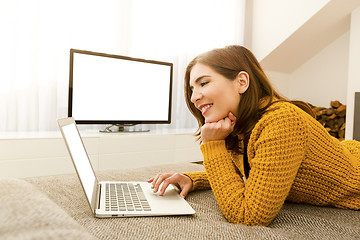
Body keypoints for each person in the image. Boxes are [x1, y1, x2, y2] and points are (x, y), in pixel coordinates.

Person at [148, 45, 360, 226]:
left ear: (241, 82)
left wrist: (213, 145)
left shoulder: (281, 121)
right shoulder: (240, 126)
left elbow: (249, 215)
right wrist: (192, 179)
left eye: (203, 83)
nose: (194, 97)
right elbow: (250, 174)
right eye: (191, 89)